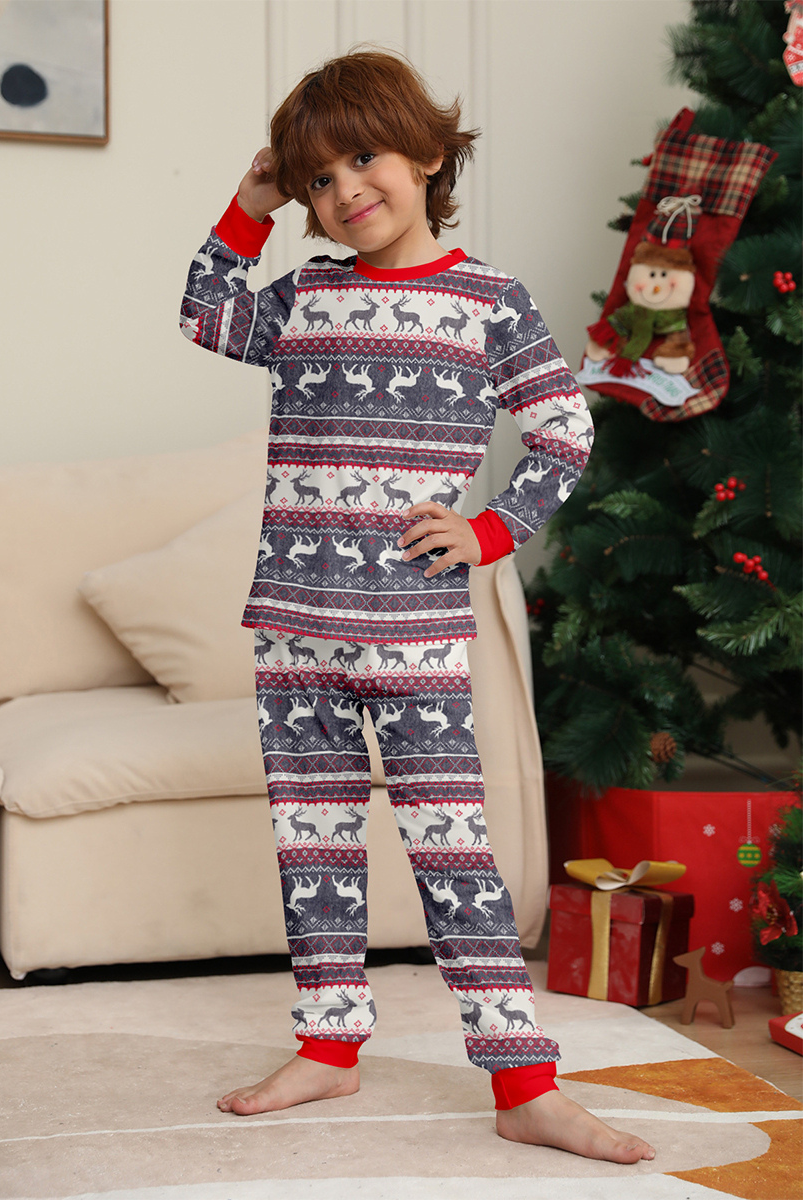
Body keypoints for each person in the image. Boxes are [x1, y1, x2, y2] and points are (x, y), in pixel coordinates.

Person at [180, 50, 654, 1164]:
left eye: (364, 158)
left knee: (454, 854)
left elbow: (565, 429)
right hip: (294, 629)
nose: (346, 190)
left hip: (413, 636)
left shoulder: (489, 302)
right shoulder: (302, 298)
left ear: (429, 155)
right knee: (314, 848)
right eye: (318, 179)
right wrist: (248, 206)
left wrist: (489, 533)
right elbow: (204, 315)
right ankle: (328, 1048)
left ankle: (525, 1084)